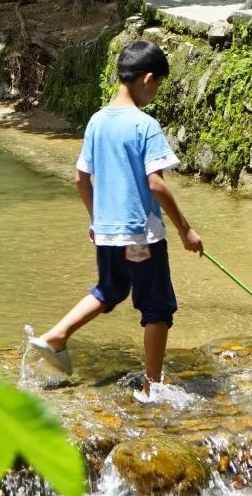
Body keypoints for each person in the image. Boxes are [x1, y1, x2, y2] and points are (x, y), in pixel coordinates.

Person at [27, 39, 203, 392]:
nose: (155, 94)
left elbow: (80, 178)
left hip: (107, 233)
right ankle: (153, 388)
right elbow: (156, 185)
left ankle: (58, 335)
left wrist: (97, 220)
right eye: (158, 86)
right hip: (141, 236)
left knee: (111, 288)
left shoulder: (96, 121)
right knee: (158, 308)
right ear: (148, 78)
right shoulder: (144, 125)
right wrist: (185, 230)